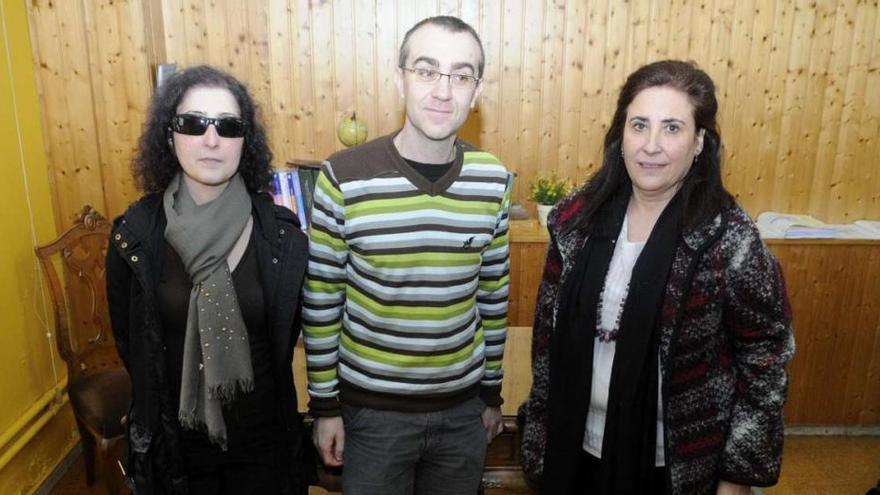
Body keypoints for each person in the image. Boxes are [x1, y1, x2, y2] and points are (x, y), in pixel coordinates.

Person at [519, 60, 795, 495]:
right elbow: (545, 343)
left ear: (700, 140)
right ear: (620, 136)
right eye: (639, 125)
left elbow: (766, 360)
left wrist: (738, 475)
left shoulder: (730, 238)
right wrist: (537, 434)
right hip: (574, 449)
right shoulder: (575, 222)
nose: (651, 145)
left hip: (678, 465)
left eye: (672, 128)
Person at [302, 15, 511, 495]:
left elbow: (493, 298)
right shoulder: (343, 176)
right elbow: (321, 303)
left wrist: (491, 394)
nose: (443, 90)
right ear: (400, 79)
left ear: (476, 91)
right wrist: (325, 407)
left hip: (463, 414)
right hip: (373, 415)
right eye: (426, 70)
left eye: (461, 75)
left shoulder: (493, 179)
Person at [106, 65, 311, 494]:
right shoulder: (136, 233)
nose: (211, 139)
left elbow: (285, 331)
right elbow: (131, 341)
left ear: (245, 141)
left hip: (264, 447)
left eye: (228, 126)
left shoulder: (280, 233)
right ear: (169, 135)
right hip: (174, 450)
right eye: (194, 123)